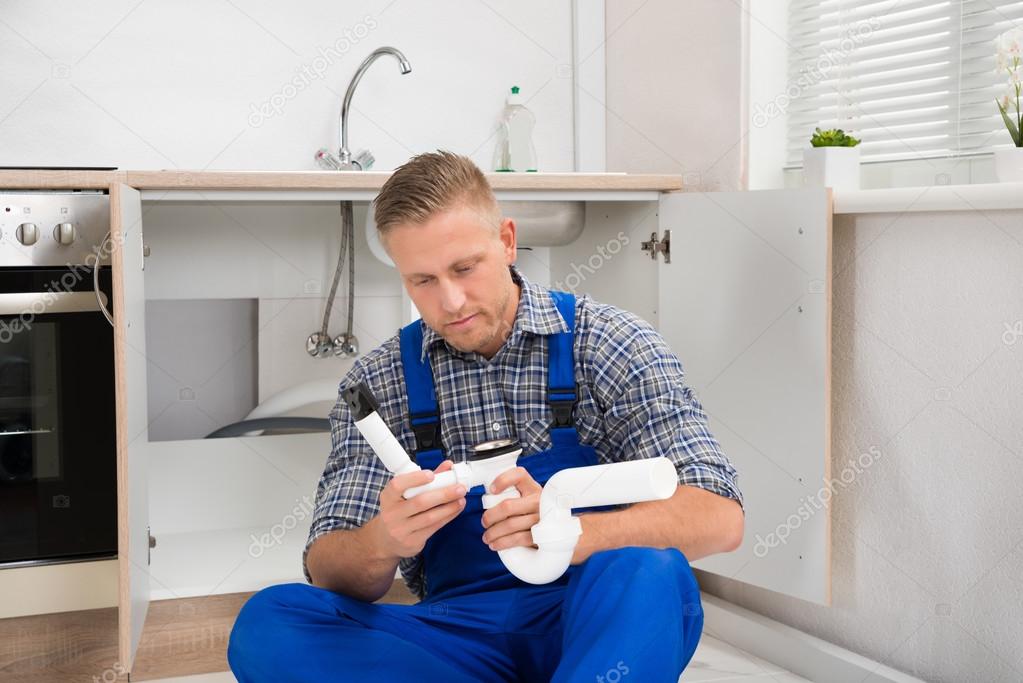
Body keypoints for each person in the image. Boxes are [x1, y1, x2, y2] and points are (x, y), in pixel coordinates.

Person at [228, 151, 744, 682]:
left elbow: (720, 517)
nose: (450, 301)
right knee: (270, 623)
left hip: (593, 620)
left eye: (464, 268)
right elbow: (330, 568)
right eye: (423, 280)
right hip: (456, 638)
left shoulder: (611, 343)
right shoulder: (380, 381)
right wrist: (386, 538)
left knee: (650, 570)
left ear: (507, 241)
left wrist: (572, 533)